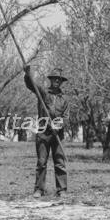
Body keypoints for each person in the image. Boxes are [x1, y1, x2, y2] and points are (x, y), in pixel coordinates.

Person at [24, 66, 70, 198]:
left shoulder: (65, 99)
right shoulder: (43, 93)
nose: (57, 81)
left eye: (59, 79)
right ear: (51, 80)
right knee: (41, 162)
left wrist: (59, 125)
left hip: (58, 135)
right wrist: (28, 75)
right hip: (43, 132)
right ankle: (39, 189)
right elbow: (32, 85)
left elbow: (66, 117)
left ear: (61, 82)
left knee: (60, 162)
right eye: (54, 78)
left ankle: (62, 190)